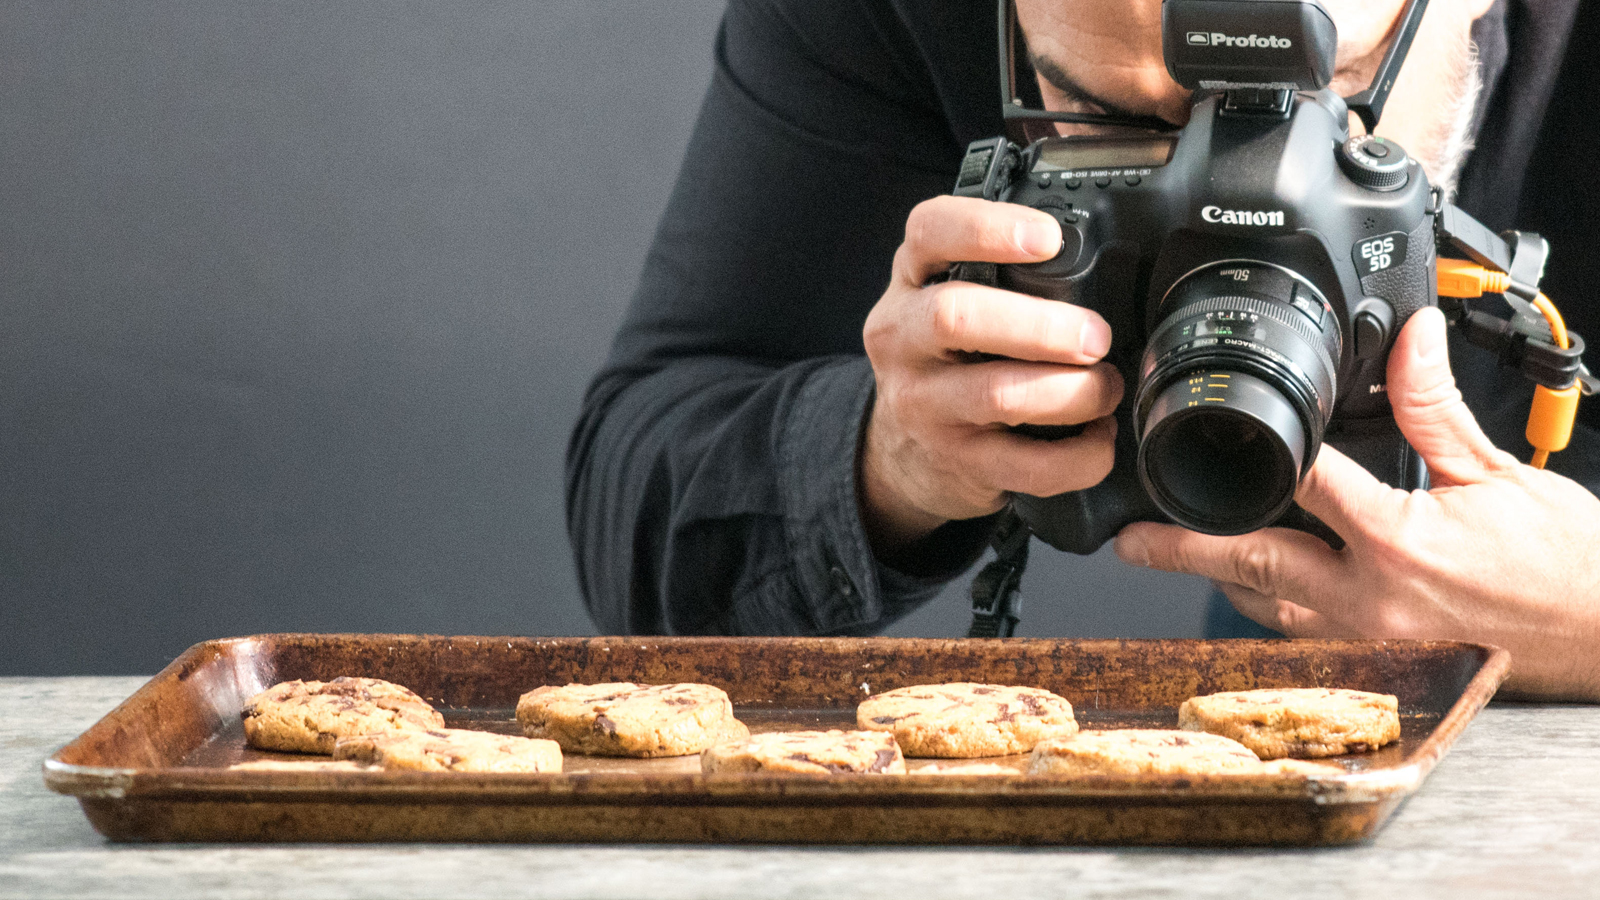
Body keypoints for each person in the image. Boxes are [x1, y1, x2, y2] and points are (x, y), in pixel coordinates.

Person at [567, 0, 1600, 700]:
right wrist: (891, 459)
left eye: (1312, 105)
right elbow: (639, 522)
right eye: (1108, 117)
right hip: (1296, 652)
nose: (1228, 179)